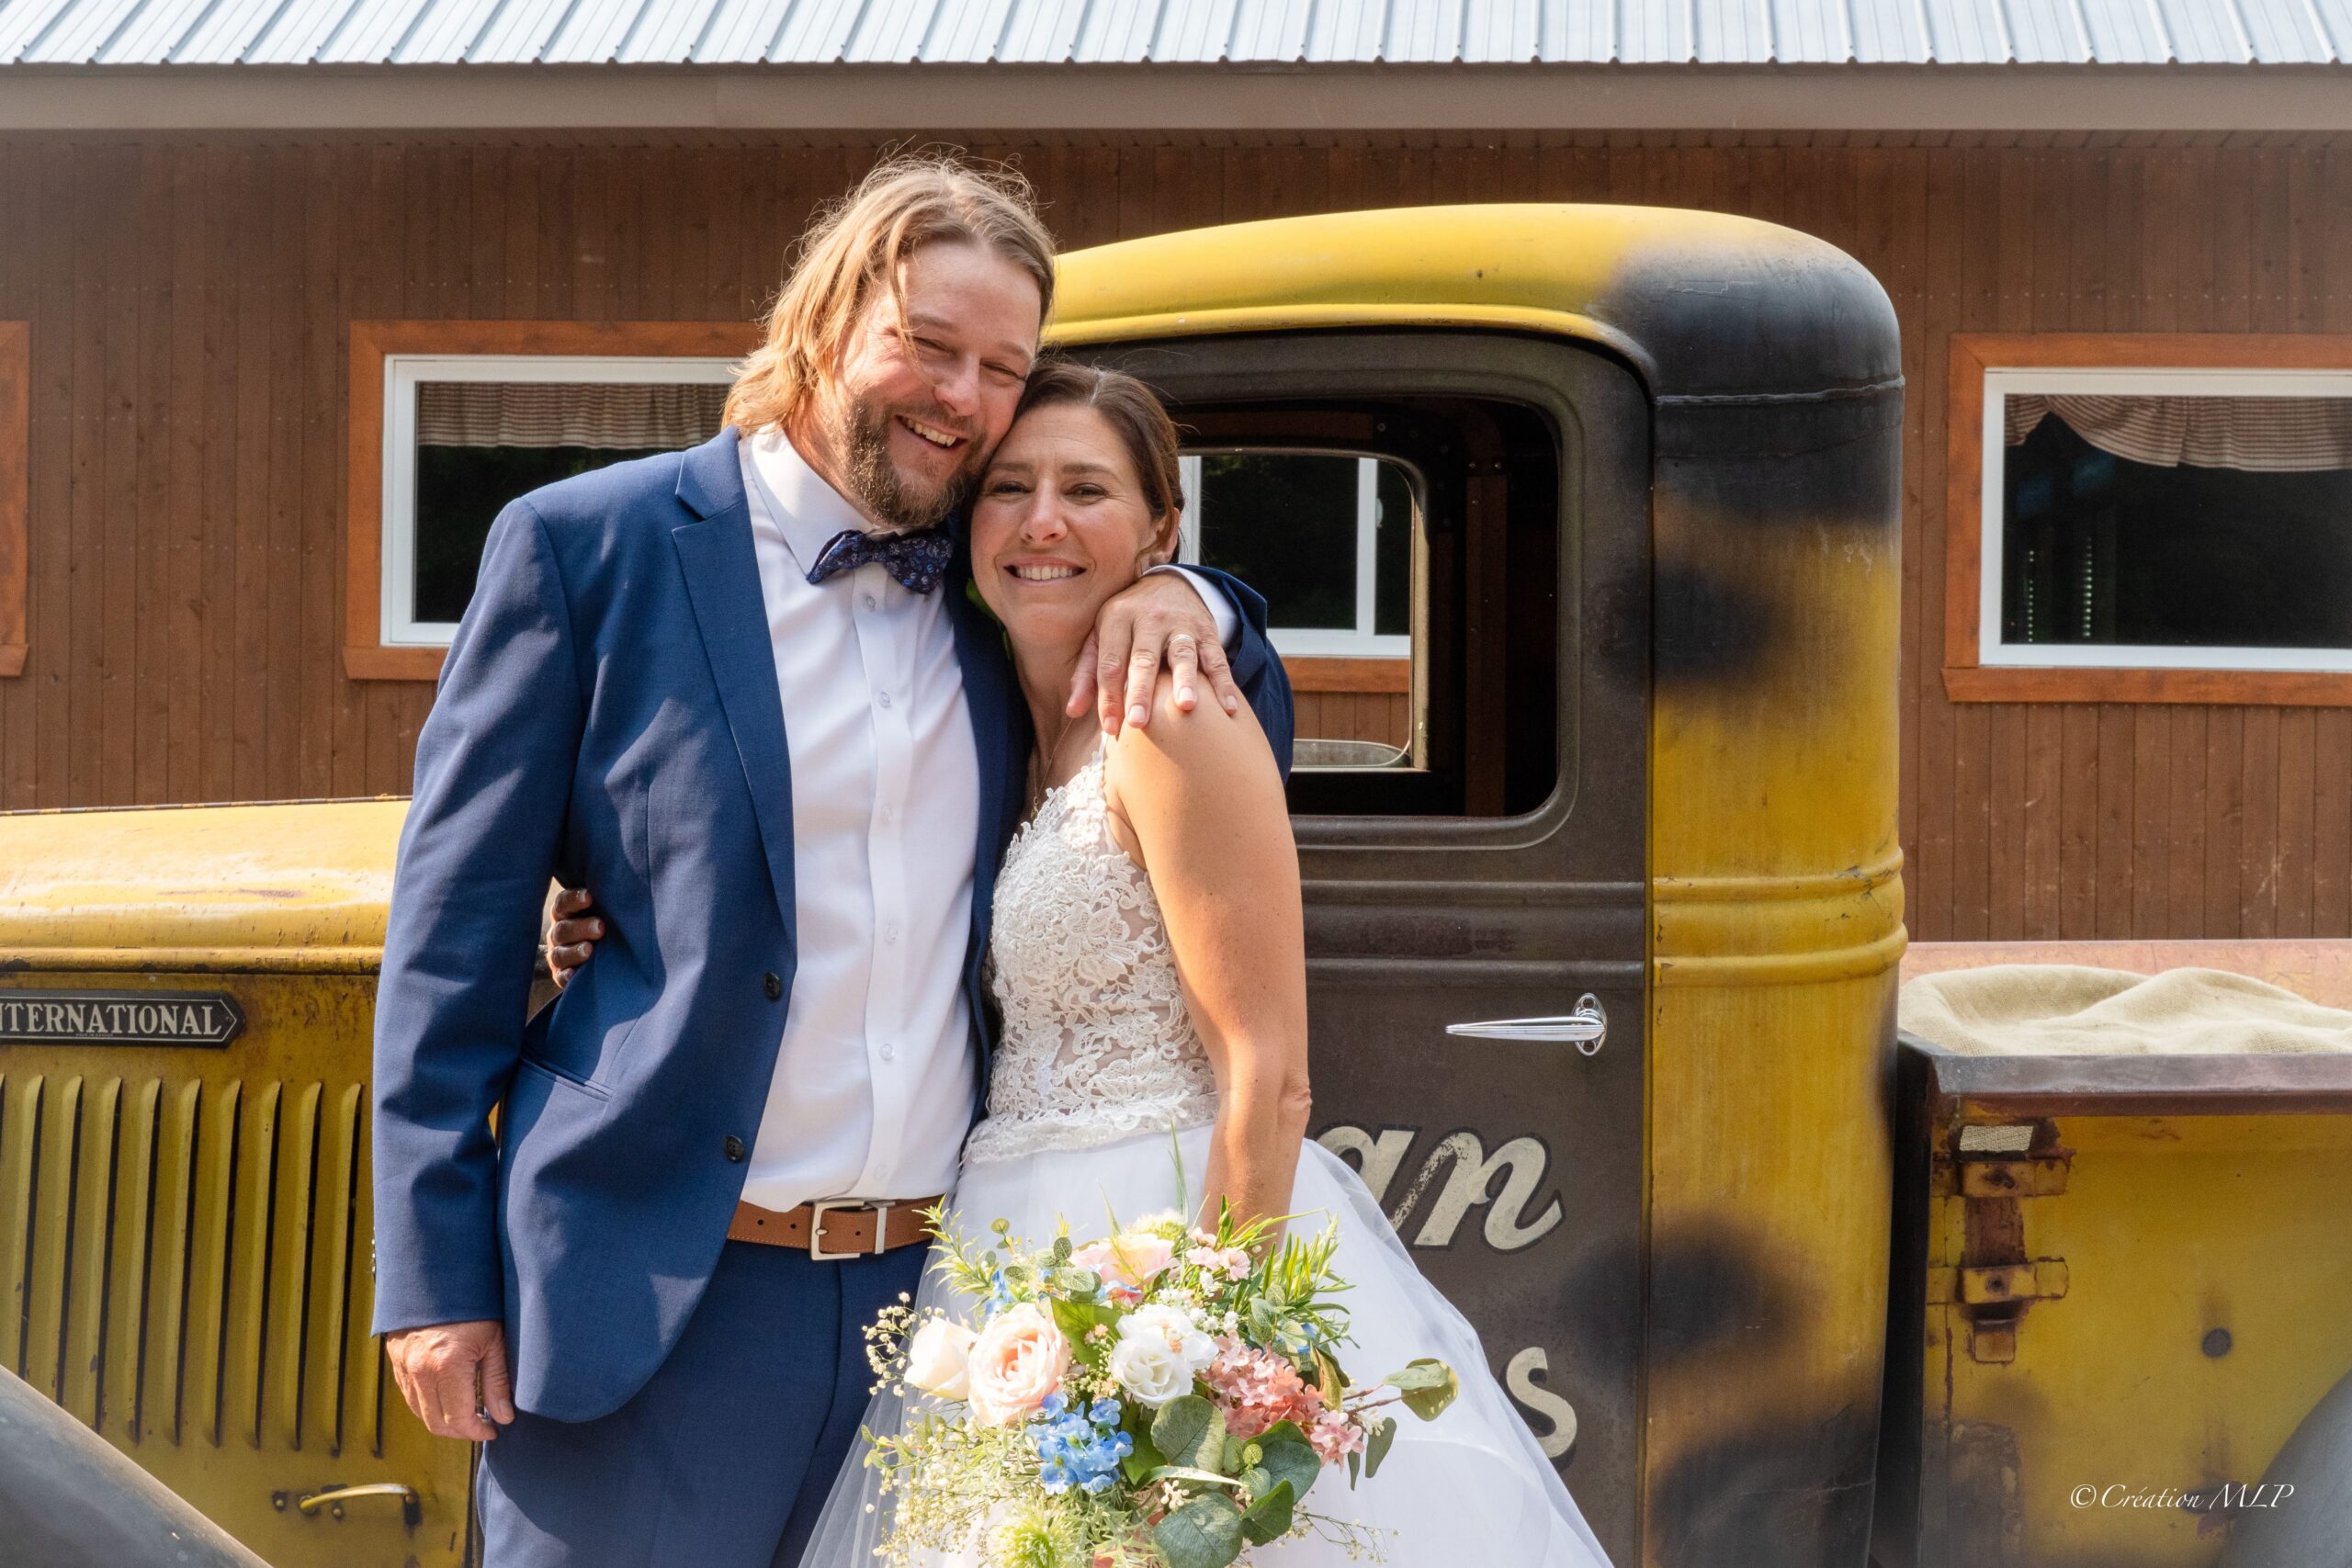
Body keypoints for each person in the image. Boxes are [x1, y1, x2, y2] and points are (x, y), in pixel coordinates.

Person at [369, 155, 1295, 1568]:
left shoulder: (1002, 583)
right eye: (929, 344)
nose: (964, 399)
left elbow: (1226, 713)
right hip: (657, 1297)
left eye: (1003, 367)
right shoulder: (587, 549)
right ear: (824, 322)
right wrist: (433, 1279)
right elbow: (453, 939)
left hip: (950, 1315)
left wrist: (1187, 593)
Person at [552, 362, 1613, 1566]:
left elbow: (1269, 1075)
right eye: (1009, 488)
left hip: (1161, 1242)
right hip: (1001, 1249)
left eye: (1087, 490)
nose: (1042, 521)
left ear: (1163, 530)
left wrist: (1205, 1361)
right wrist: (599, 905)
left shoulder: (1170, 717)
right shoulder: (986, 711)